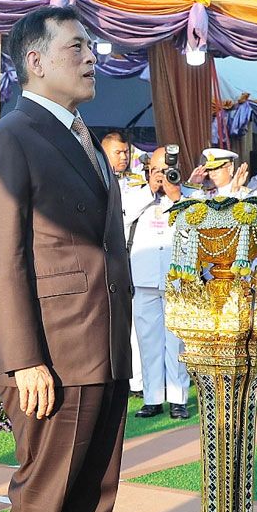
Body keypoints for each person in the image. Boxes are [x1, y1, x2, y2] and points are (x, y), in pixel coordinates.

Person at [0, 7, 132, 512]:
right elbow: (0, 258)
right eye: (76, 47)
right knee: (46, 498)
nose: (92, 58)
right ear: (35, 62)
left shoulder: (83, 136)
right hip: (52, 354)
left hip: (102, 346)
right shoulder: (8, 139)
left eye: (91, 47)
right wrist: (23, 358)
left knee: (93, 495)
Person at [123, 157, 191, 418]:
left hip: (177, 280)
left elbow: (196, 224)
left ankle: (178, 399)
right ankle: (152, 398)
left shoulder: (189, 198)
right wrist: (150, 189)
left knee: (177, 342)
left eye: (167, 170)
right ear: (148, 171)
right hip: (144, 277)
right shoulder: (135, 195)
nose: (162, 176)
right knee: (148, 342)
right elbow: (123, 217)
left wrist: (176, 198)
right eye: (156, 170)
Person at [104, 130, 146, 396]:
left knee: (135, 324)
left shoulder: (137, 184)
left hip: (132, 259)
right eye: (118, 153)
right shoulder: (96, 179)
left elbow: (128, 215)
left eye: (126, 152)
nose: (124, 157)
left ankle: (137, 381)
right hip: (106, 260)